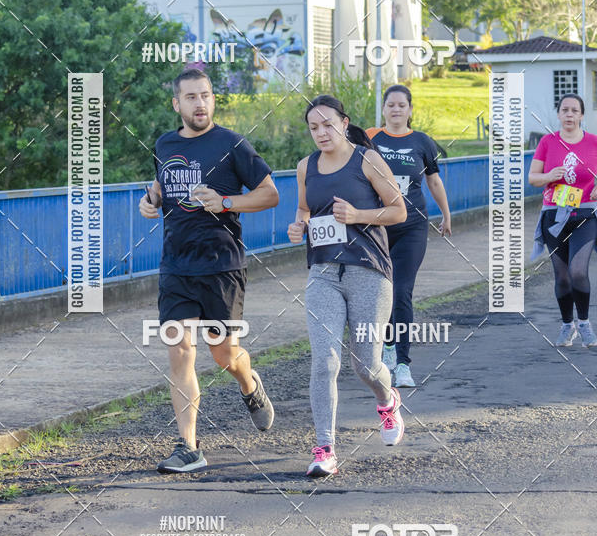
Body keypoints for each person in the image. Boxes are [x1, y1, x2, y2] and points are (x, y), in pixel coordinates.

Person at [138, 68, 279, 473]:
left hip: (222, 267)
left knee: (223, 354)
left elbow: (270, 193)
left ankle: (249, 384)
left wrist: (227, 203)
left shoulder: (232, 144)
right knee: (180, 351)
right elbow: (161, 189)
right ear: (176, 103)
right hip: (176, 265)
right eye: (192, 97)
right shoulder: (165, 144)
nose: (200, 103)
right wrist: (149, 202)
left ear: (213, 99)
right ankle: (189, 447)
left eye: (206, 96)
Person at [287, 94, 407, 478]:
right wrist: (299, 225)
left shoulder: (367, 160)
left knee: (366, 365)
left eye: (327, 125)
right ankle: (324, 447)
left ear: (344, 122)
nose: (321, 133)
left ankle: (388, 402)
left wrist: (357, 215)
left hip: (369, 273)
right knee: (324, 360)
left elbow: (399, 209)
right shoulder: (306, 166)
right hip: (323, 272)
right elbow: (305, 209)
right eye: (313, 128)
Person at [367, 84, 451, 389]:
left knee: (401, 291)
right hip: (376, 227)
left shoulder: (422, 142)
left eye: (402, 105)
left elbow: (434, 181)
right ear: (384, 108)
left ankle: (402, 363)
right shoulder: (370, 139)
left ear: (410, 109)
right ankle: (386, 347)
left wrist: (446, 213)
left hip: (412, 226)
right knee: (379, 293)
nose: (396, 109)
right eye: (391, 104)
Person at [529, 93, 597, 348]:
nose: (569, 114)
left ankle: (585, 324)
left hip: (585, 215)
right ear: (558, 114)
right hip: (554, 215)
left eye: (574, 110)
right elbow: (533, 178)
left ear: (581, 115)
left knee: (578, 271)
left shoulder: (593, 142)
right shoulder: (548, 142)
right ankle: (567, 325)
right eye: (564, 110)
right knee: (563, 277)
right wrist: (548, 176)